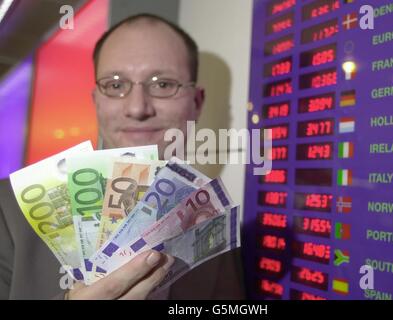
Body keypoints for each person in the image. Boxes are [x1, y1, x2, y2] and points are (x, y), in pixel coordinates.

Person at [0, 13, 246, 300]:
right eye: (116, 85)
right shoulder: (7, 210)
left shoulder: (215, 226)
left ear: (197, 102)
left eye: (163, 84)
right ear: (96, 101)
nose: (137, 108)